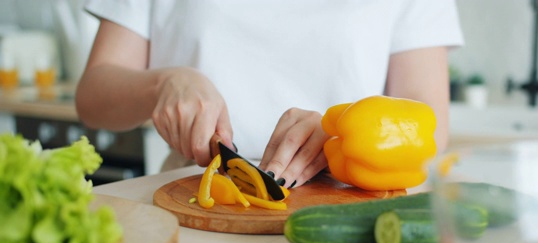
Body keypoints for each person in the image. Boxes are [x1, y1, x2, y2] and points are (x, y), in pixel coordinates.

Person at [76, 0, 464, 189]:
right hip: (194, 206)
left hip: (348, 215)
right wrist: (162, 83)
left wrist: (342, 128)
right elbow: (93, 95)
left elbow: (430, 125)